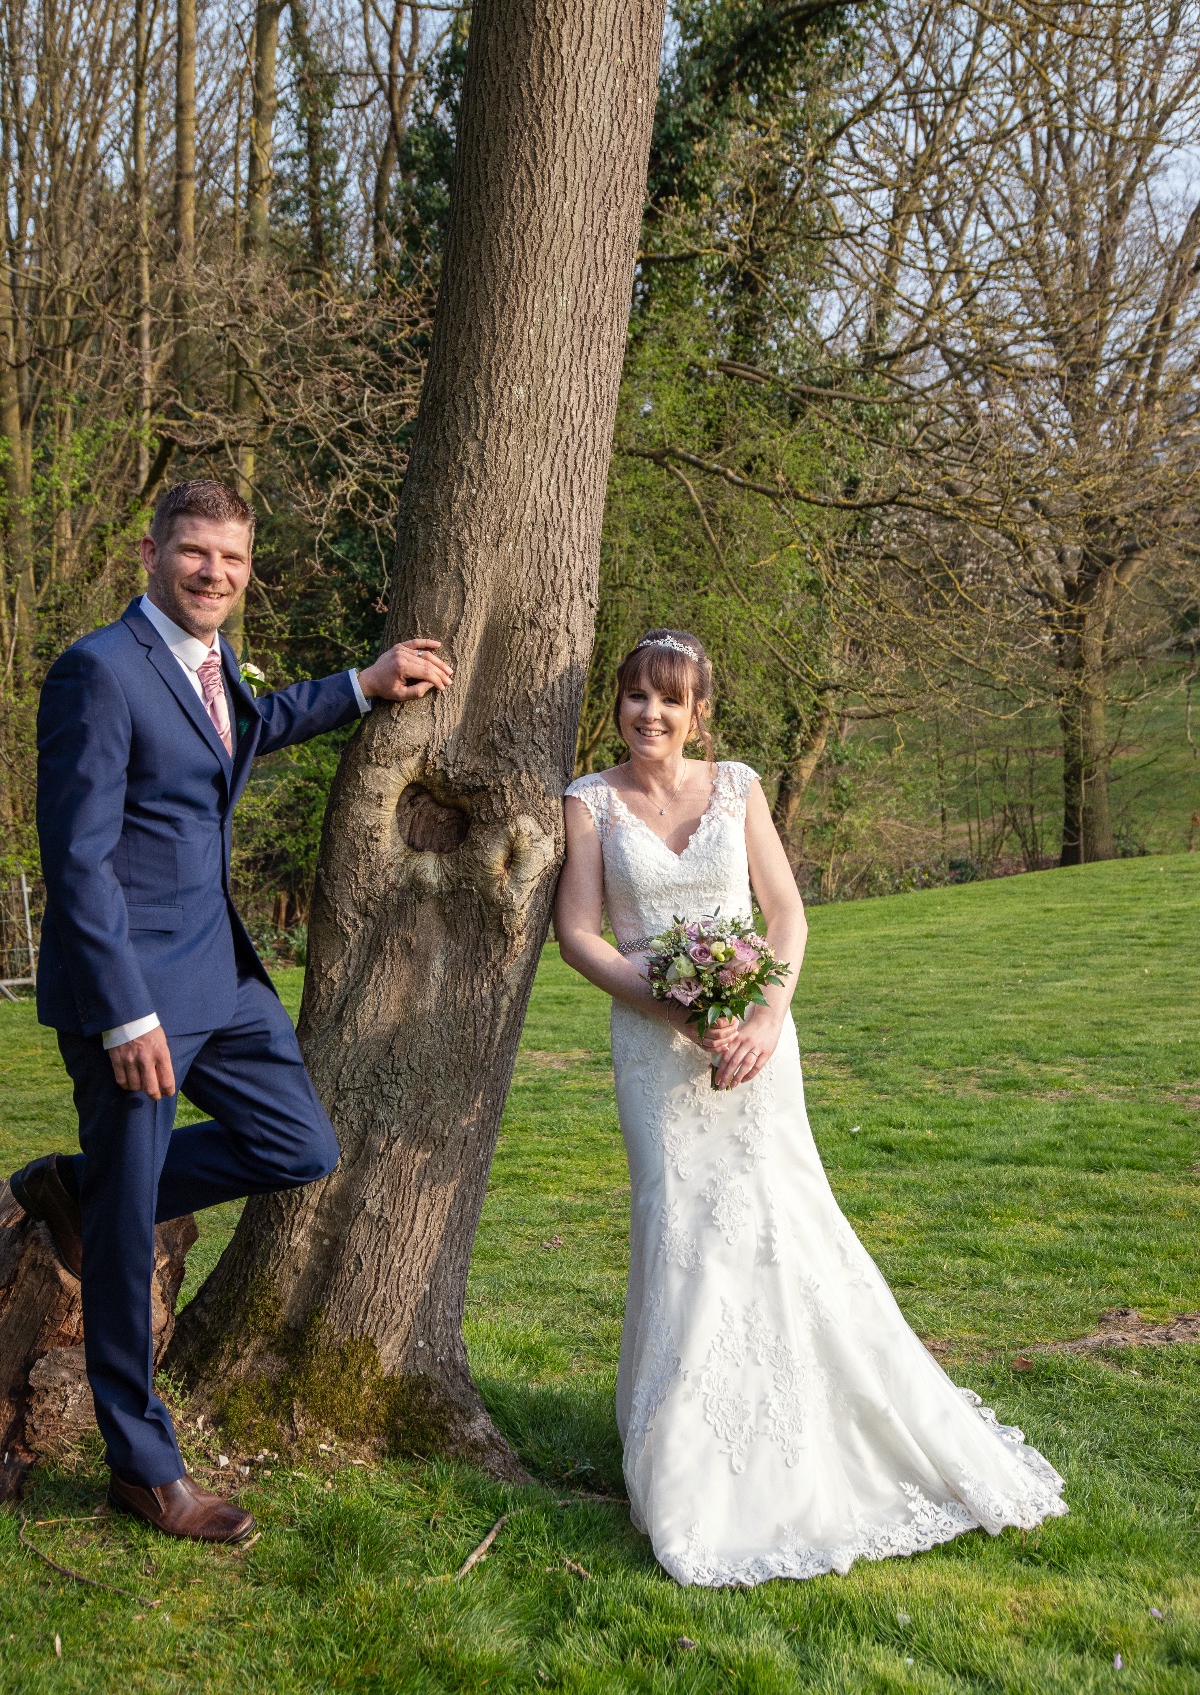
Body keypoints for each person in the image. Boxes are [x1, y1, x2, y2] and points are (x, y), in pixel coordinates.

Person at [555, 628, 1066, 1587]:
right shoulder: (589, 803)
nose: (650, 714)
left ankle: (810, 1420)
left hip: (757, 1041)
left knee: (779, 1223)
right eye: (635, 697)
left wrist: (764, 1017)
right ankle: (690, 1455)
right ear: (617, 704)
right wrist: (669, 1004)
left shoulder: (737, 787)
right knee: (680, 1227)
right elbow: (579, 935)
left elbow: (785, 913)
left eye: (670, 700)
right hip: (653, 1045)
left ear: (698, 713)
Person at [9, 479, 453, 1544]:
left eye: (234, 559)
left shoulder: (213, 668)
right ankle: (143, 1468)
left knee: (298, 1144)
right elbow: (76, 861)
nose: (214, 573)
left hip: (223, 977)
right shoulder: (97, 670)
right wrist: (123, 1015)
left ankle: (84, 1185)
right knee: (125, 1241)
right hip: (134, 998)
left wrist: (362, 685)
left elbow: (248, 732)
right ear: (151, 552)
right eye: (195, 552)